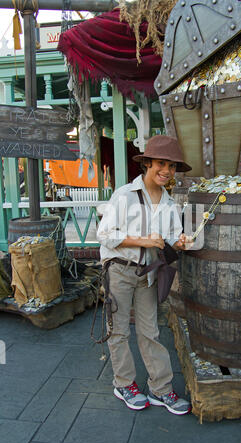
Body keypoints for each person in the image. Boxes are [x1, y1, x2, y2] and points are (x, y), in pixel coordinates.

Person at [97, 135, 193, 415]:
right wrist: (143, 241)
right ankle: (124, 383)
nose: (167, 171)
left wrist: (180, 241)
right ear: (148, 163)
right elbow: (104, 235)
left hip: (149, 275)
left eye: (172, 166)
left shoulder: (169, 203)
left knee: (151, 332)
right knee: (118, 332)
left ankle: (160, 389)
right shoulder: (124, 195)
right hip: (119, 272)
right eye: (162, 164)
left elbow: (172, 236)